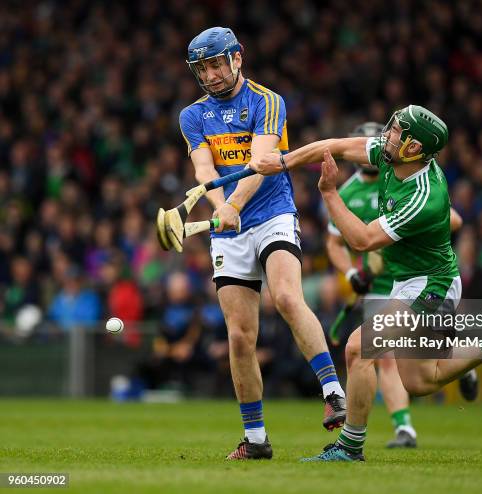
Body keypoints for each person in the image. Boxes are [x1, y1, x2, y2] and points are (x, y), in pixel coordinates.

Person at [251, 104, 482, 461]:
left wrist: (329, 193)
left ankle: (350, 448)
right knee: (420, 381)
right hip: (407, 280)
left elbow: (364, 240)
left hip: (432, 285)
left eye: (397, 131)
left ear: (414, 148)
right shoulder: (390, 153)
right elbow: (334, 145)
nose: (387, 135)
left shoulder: (424, 197)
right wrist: (284, 161)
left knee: (358, 348)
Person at [177, 27, 346, 460]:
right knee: (239, 337)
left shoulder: (267, 102)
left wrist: (232, 204)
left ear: (237, 58)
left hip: (272, 214)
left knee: (288, 297)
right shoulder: (192, 116)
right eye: (202, 68)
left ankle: (332, 391)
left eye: (216, 64)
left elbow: (262, 164)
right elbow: (203, 170)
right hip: (227, 227)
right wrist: (220, 207)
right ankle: (255, 440)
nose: (211, 75)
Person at [326, 123, 476, 449]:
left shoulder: (406, 177)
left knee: (380, 355)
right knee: (387, 359)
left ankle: (391, 432)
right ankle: (405, 424)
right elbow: (335, 244)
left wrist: (399, 231)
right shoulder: (350, 192)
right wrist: (351, 275)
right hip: (381, 284)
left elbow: (453, 220)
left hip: (416, 281)